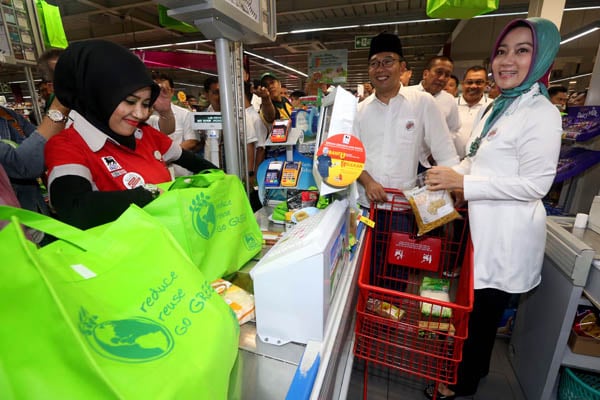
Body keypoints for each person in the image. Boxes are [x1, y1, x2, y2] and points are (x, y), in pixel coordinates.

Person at [423, 17, 562, 400]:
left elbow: (536, 185)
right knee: (475, 306)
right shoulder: (498, 107)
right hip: (481, 229)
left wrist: (463, 183)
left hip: (507, 236)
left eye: (522, 51)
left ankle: (462, 385)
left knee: (483, 313)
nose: (506, 60)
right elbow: (478, 158)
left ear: (542, 57)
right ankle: (473, 367)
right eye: (502, 51)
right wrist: (453, 173)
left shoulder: (541, 114)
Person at [45, 40, 217, 230]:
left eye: (145, 104)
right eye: (129, 101)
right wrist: (148, 195)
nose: (141, 114)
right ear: (98, 95)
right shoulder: (67, 145)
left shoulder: (147, 135)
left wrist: (220, 180)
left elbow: (194, 162)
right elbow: (75, 208)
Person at [353, 32, 459, 208]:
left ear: (402, 67)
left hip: (403, 206)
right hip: (366, 205)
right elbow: (351, 157)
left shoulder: (422, 103)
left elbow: (445, 153)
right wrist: (368, 182)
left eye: (388, 61)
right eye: (374, 63)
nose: (380, 69)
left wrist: (456, 184)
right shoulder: (359, 110)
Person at [147, 73, 203, 176]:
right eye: (155, 90)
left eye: (164, 91)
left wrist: (166, 155)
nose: (159, 94)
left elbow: (192, 141)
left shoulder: (184, 114)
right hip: (151, 173)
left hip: (180, 173)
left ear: (172, 91)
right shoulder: (143, 114)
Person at [454, 66, 491, 159]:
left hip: (480, 163)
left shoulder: (493, 107)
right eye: (469, 82)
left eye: (479, 82)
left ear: (486, 84)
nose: (473, 86)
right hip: (450, 163)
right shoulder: (450, 104)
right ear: (463, 84)